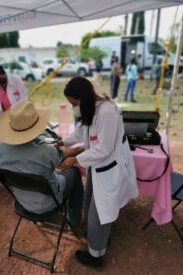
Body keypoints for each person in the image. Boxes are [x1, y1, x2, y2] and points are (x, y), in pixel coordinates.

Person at [55, 77, 138, 270]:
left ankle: (96, 256)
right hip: (97, 166)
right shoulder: (89, 109)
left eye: (74, 103)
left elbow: (104, 149)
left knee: (99, 213)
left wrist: (73, 159)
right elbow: (80, 134)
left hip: (108, 168)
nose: (74, 107)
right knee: (89, 200)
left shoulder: (107, 112)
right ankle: (98, 238)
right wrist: (62, 143)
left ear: (82, 98)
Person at [0, 100, 84, 228]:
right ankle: (74, 222)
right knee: (74, 172)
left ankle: (44, 218)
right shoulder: (46, 152)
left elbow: (3, 184)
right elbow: (62, 157)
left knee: (40, 175)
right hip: (50, 202)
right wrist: (82, 148)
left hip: (23, 202)